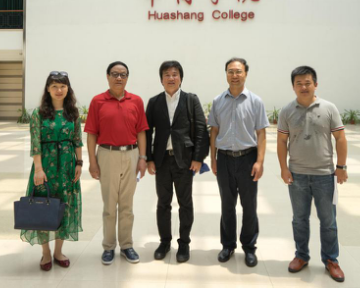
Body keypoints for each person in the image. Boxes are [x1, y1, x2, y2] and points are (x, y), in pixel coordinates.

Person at [277, 66, 348, 283]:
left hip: (324, 175)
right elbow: (281, 141)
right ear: (293, 87)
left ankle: (331, 260)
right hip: (297, 175)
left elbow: (340, 138)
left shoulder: (329, 108)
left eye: (307, 83)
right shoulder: (287, 111)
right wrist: (284, 168)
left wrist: (341, 167)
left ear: (315, 84)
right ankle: (301, 256)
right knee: (299, 219)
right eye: (298, 83)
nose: (303, 87)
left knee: (328, 221)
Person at [85, 61, 149, 265]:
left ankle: (127, 245)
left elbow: (141, 132)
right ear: (107, 76)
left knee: (127, 205)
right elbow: (91, 134)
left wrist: (142, 158)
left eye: (123, 74)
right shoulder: (98, 101)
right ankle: (109, 247)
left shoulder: (136, 101)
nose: (119, 78)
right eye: (115, 74)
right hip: (107, 155)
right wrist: (92, 161)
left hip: (131, 155)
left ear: (127, 77)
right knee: (109, 205)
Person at [145, 60, 209, 263]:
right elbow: (146, 132)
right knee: (163, 203)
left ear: (181, 78)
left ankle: (184, 243)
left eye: (175, 74)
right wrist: (149, 159)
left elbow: (201, 129)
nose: (171, 78)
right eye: (167, 75)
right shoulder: (154, 102)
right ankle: (164, 242)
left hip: (185, 160)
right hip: (162, 161)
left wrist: (198, 158)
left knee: (185, 203)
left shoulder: (191, 100)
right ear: (161, 79)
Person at [20, 71, 83, 271]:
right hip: (45, 166)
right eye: (54, 86)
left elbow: (77, 140)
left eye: (62, 86)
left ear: (68, 89)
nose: (59, 90)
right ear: (48, 88)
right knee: (42, 206)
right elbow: (35, 143)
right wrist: (38, 169)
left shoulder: (72, 112)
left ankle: (58, 251)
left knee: (64, 206)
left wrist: (79, 163)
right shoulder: (38, 114)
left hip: (67, 166)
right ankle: (46, 252)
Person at [209, 57, 268, 267]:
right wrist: (213, 158)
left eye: (238, 71)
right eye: (230, 71)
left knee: (249, 206)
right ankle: (228, 245)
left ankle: (249, 247)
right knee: (227, 205)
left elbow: (261, 134)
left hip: (248, 158)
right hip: (224, 159)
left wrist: (259, 161)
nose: (234, 75)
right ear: (226, 74)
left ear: (245, 74)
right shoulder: (218, 101)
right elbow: (214, 131)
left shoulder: (256, 101)